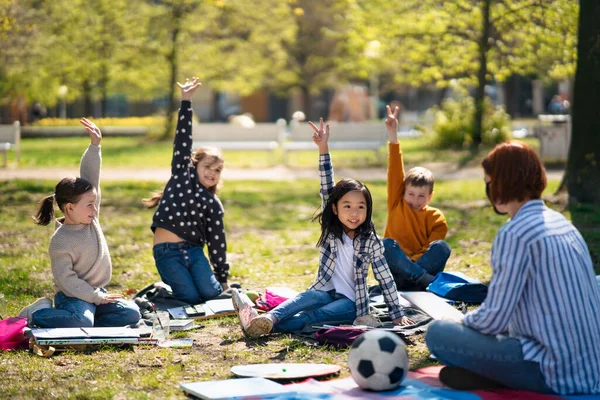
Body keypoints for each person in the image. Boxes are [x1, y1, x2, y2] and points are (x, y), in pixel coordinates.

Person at [425, 141, 600, 394]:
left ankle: (492, 375)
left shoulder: (515, 233)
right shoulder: (562, 222)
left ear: (500, 183)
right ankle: (490, 376)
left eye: (488, 182)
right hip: (590, 369)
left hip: (553, 371)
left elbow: (494, 319)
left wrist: (461, 321)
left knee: (438, 333)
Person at [232, 118, 414, 338]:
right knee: (302, 300)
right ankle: (269, 318)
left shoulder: (370, 241)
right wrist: (323, 148)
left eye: (360, 207)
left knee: (312, 316)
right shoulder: (331, 229)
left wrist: (397, 313)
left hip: (351, 303)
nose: (354, 213)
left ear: (368, 210)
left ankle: (255, 326)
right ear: (335, 209)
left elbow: (385, 278)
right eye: (347, 206)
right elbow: (326, 185)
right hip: (325, 290)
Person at [18, 118, 141, 328]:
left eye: (95, 203)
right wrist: (93, 297)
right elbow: (67, 281)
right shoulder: (60, 241)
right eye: (89, 205)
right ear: (69, 208)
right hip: (71, 296)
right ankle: (36, 314)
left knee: (132, 314)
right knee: (81, 320)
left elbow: (91, 176)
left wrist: (95, 146)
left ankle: (87, 318)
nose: (95, 209)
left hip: (96, 294)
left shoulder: (90, 218)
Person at [143, 77, 230, 305]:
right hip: (167, 252)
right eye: (208, 167)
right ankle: (159, 291)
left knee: (211, 295)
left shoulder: (213, 204)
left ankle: (201, 284)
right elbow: (182, 139)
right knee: (189, 298)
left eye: (218, 170)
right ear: (195, 165)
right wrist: (186, 102)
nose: (212, 173)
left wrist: (223, 280)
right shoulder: (183, 174)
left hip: (193, 252)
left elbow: (217, 243)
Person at [382, 105, 450, 290]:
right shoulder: (397, 202)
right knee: (384, 245)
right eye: (411, 194)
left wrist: (411, 267)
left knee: (442, 247)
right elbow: (395, 170)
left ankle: (413, 280)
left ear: (430, 197)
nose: (415, 199)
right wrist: (393, 136)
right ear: (402, 192)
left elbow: (430, 249)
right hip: (397, 272)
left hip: (418, 268)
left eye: (421, 196)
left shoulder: (437, 218)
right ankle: (420, 280)